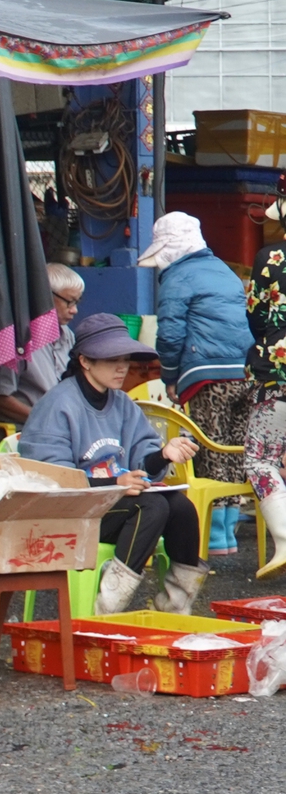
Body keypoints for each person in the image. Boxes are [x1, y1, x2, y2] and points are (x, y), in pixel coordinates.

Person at [20, 314, 206, 613]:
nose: (123, 367)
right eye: (111, 359)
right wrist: (113, 484)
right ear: (85, 361)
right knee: (153, 506)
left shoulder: (121, 403)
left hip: (113, 506)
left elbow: (141, 462)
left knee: (181, 507)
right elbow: (51, 480)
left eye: (125, 358)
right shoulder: (57, 404)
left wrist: (164, 454)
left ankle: (174, 609)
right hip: (66, 514)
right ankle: (105, 610)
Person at [140, 211, 253, 484]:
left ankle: (214, 525)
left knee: (209, 450)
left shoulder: (177, 278)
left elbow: (169, 335)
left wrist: (170, 377)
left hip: (208, 376)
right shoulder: (224, 270)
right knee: (235, 451)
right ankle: (228, 525)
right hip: (245, 373)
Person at [0, 263, 83, 426]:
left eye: (77, 302)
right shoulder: (17, 337)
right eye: (69, 302)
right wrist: (43, 419)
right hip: (22, 432)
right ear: (45, 296)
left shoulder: (66, 334)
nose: (74, 310)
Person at [245, 203, 286, 578]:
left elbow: (256, 316)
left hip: (278, 374)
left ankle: (285, 538)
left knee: (261, 459)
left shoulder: (271, 258)